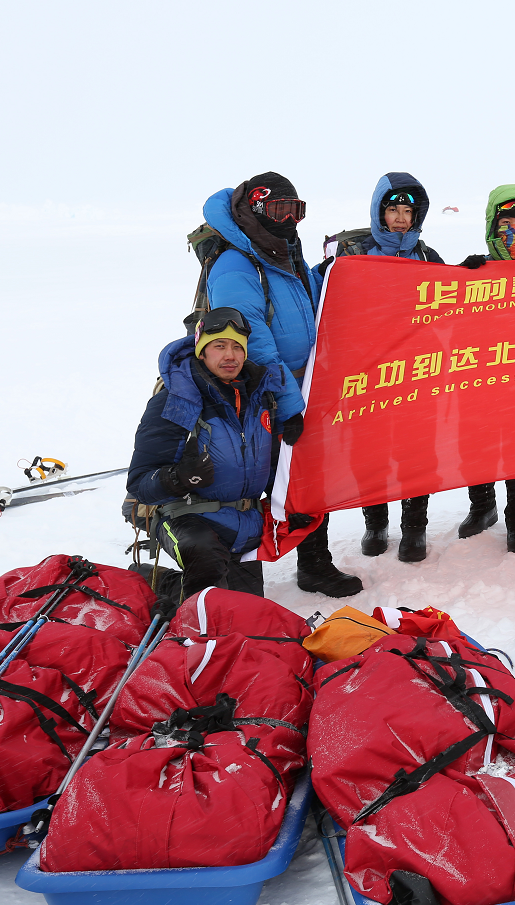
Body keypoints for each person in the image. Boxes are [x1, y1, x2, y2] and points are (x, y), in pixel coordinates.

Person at [197, 173, 362, 596]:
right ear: (255, 210)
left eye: (295, 211)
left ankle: (314, 564)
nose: (288, 220)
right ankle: (237, 580)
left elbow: (310, 303)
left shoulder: (283, 253)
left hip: (301, 389)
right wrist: (289, 402)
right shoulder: (237, 262)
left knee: (308, 479)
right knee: (254, 484)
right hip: (257, 395)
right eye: (278, 211)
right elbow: (253, 338)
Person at [127, 309, 289, 602]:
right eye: (219, 346)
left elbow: (273, 464)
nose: (230, 355)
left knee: (244, 615)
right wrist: (178, 478)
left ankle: (164, 583)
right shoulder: (177, 400)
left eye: (237, 346)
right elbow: (140, 484)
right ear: (201, 351)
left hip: (244, 521)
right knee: (209, 593)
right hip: (187, 518)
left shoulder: (260, 397)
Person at [321, 173, 443, 563]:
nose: (401, 218)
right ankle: (375, 522)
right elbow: (326, 303)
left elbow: (454, 301)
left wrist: (471, 272)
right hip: (366, 373)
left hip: (417, 373)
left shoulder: (427, 256)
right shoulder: (352, 255)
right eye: (393, 210)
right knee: (366, 451)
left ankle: (414, 528)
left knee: (415, 453)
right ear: (379, 212)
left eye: (408, 211)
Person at [457, 185, 515, 553]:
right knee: (475, 446)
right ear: (492, 227)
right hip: (479, 380)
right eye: (506, 224)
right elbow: (449, 325)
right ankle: (482, 507)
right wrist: (464, 282)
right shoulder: (474, 270)